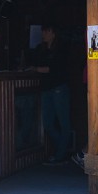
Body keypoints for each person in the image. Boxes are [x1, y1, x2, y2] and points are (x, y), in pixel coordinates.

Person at [33, 24, 72, 164]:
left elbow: (54, 68)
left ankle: (60, 154)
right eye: (43, 31)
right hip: (46, 89)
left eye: (47, 31)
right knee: (48, 123)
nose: (44, 33)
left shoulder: (61, 49)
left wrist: (37, 69)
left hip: (59, 88)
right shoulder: (41, 49)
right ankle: (64, 149)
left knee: (64, 123)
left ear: (53, 33)